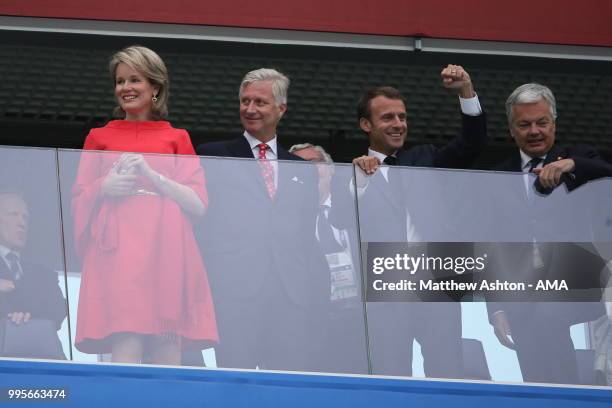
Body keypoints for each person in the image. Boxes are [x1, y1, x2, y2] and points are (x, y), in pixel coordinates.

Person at [330, 65, 487, 378]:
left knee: (447, 374)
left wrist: (466, 92)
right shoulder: (353, 172)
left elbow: (472, 145)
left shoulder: (427, 157)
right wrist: (359, 180)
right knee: (391, 375)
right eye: (388, 117)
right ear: (366, 124)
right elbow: (339, 216)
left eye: (402, 117)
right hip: (386, 291)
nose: (398, 124)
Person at [72, 45, 218, 365]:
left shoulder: (177, 137)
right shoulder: (98, 136)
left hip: (166, 249)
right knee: (127, 338)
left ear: (155, 88)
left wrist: (153, 177)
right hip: (119, 252)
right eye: (120, 81)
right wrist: (103, 187)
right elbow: (79, 198)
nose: (125, 88)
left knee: (168, 345)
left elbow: (198, 204)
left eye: (135, 80)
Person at [196, 68, 330, 371]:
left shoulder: (301, 169)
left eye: (260, 102)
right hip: (234, 295)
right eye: (245, 101)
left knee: (285, 389)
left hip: (289, 299)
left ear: (281, 109)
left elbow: (305, 239)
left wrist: (310, 298)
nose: (250, 109)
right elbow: (203, 228)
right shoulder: (214, 156)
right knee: (235, 385)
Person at [487, 83, 612, 384]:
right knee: (527, 324)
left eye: (542, 122)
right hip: (524, 286)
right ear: (512, 129)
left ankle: (567, 397)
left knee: (543, 315)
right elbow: (494, 245)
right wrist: (497, 309)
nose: (534, 131)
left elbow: (608, 173)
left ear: (554, 123)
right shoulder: (497, 177)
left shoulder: (578, 158)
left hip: (582, 278)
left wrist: (573, 165)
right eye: (524, 124)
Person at [289, 143, 366, 373]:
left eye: (313, 163)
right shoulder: (288, 221)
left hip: (360, 325)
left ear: (330, 170)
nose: (307, 170)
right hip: (312, 326)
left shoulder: (356, 207)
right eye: (298, 166)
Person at [0, 190, 67, 359]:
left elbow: (58, 308)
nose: (21, 223)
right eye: (13, 215)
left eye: (25, 218)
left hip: (43, 366)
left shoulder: (43, 273)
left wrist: (27, 315)